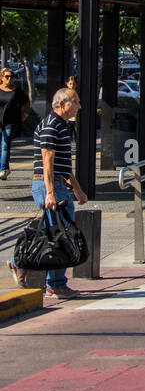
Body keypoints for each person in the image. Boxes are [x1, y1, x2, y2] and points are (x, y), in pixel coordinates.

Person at [10, 87, 87, 299]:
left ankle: (21, 263)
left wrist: (77, 188)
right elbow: (47, 161)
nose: (79, 106)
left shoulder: (62, 126)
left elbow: (63, 163)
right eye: (76, 101)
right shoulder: (51, 125)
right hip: (48, 185)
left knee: (53, 231)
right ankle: (55, 283)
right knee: (61, 233)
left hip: (57, 183)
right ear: (62, 104)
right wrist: (50, 192)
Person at [0, 67, 30, 181]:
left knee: (5, 145)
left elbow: (26, 103)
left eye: (11, 77)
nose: (9, 79)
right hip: (0, 121)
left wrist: (24, 116)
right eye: (7, 76)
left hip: (11, 122)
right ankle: (5, 167)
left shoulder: (17, 92)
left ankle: (2, 169)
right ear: (2, 78)